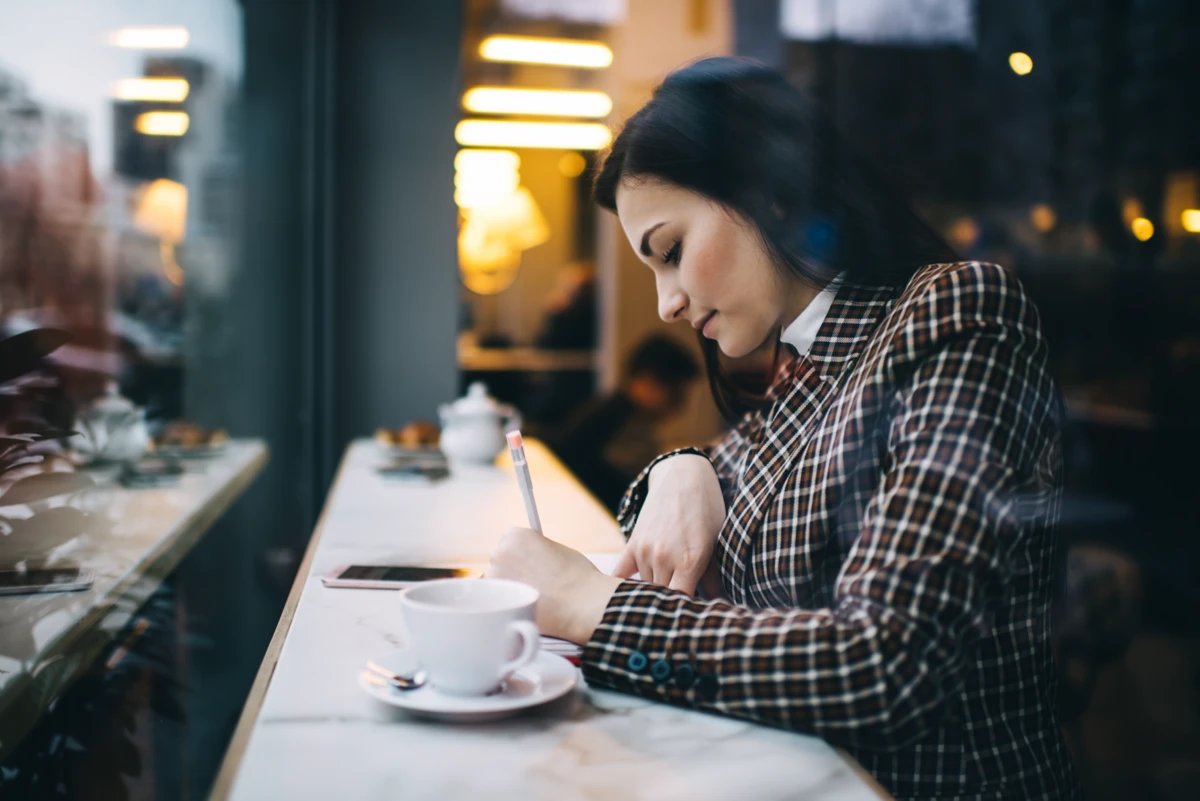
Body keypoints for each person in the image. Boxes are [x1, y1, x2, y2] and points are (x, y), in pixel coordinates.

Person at [487, 58, 1080, 801]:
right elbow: (713, 477)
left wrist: (595, 607)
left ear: (767, 192)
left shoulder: (955, 314)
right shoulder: (797, 367)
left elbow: (886, 663)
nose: (667, 303)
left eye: (670, 252)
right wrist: (681, 466)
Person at [552, 334, 699, 513]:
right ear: (645, 381)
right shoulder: (617, 421)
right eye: (675, 391)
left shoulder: (618, 412)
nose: (680, 403)